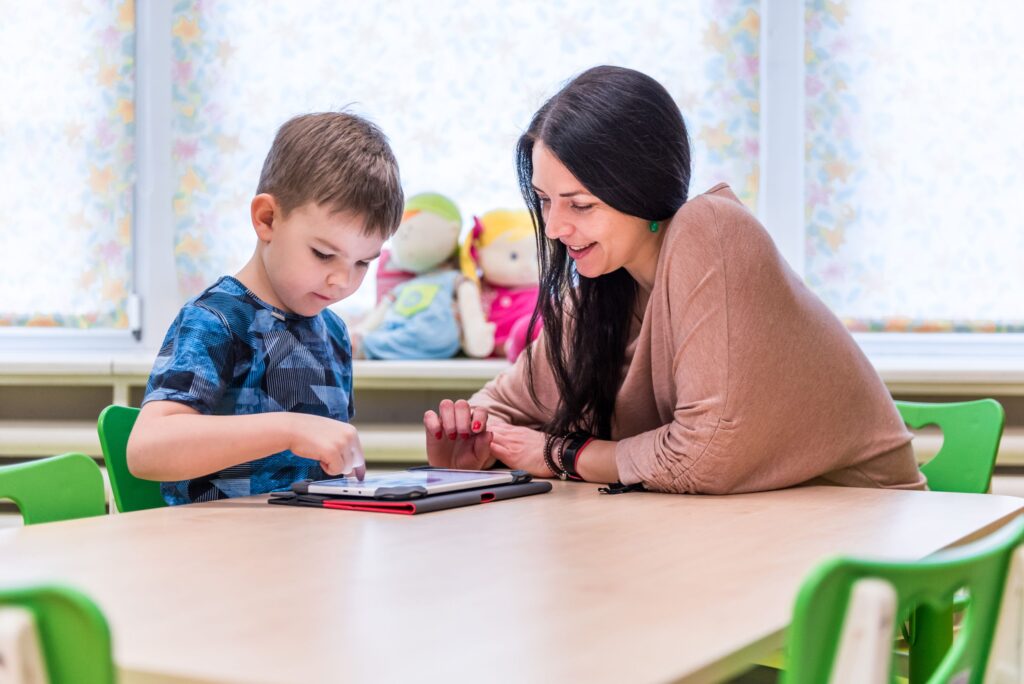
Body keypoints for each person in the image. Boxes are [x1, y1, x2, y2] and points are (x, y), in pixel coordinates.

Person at [423, 65, 925, 494]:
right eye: (545, 201)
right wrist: (475, 448)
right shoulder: (603, 286)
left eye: (580, 204)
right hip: (752, 541)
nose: (554, 228)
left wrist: (560, 453)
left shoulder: (711, 230)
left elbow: (703, 453)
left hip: (869, 559)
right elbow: (500, 411)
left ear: (641, 188)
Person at [128, 112, 404, 504]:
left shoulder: (335, 334)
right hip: (213, 554)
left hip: (303, 552)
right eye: (324, 254)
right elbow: (147, 449)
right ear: (267, 219)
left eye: (363, 263)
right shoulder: (216, 319)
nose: (342, 281)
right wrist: (291, 429)